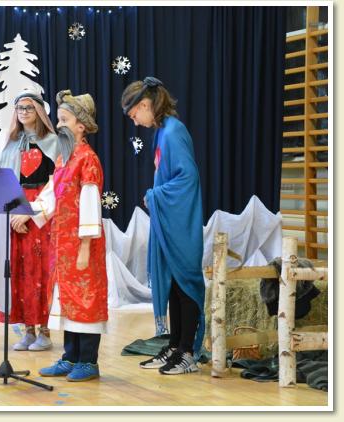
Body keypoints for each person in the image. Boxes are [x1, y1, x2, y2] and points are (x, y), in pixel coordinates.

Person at [121, 76, 205, 375]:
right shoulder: (162, 132)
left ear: (145, 105)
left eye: (134, 115)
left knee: (184, 284)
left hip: (181, 221)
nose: (135, 122)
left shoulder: (173, 132)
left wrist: (155, 195)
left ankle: (188, 352)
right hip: (169, 220)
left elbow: (188, 178)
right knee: (172, 284)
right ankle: (176, 345)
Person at [32, 90, 108, 382]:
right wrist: (28, 212)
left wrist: (86, 246)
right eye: (59, 120)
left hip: (80, 243)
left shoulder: (87, 159)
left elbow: (89, 204)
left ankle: (88, 360)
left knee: (85, 298)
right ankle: (70, 356)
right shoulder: (65, 158)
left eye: (64, 120)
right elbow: (53, 194)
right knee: (67, 299)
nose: (59, 125)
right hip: (62, 243)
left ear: (81, 126)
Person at [0, 91, 62, 351]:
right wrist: (15, 212)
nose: (24, 112)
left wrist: (31, 212)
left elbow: (56, 183)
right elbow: (6, 179)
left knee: (41, 269)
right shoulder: (12, 144)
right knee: (20, 270)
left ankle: (45, 330)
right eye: (20, 108)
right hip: (16, 210)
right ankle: (28, 329)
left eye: (29, 107)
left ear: (39, 111)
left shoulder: (53, 142)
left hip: (42, 212)